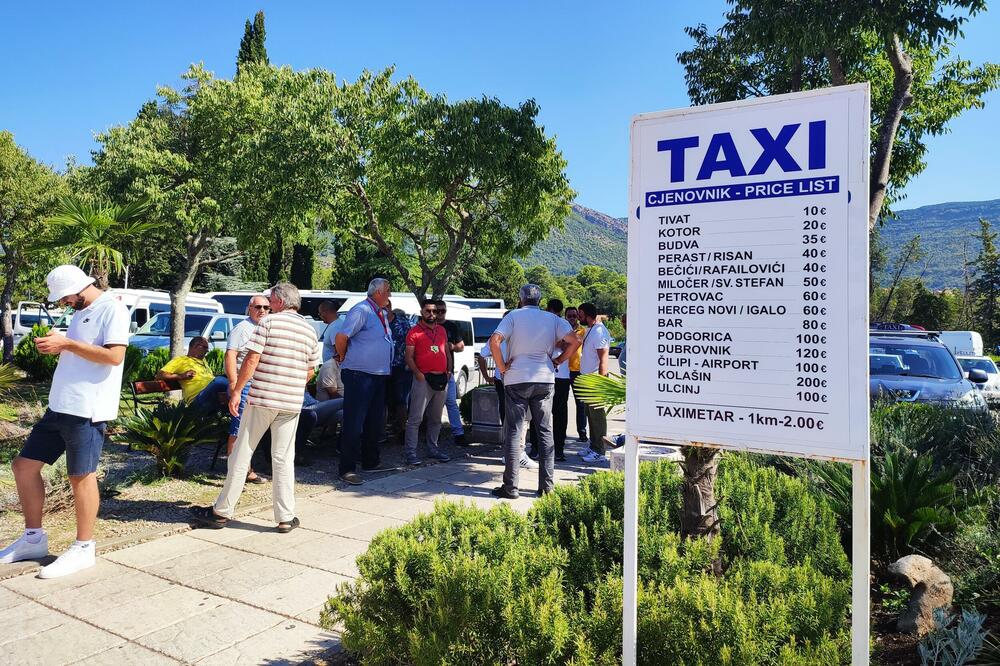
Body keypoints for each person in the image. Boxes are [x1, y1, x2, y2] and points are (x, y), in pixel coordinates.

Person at [1, 265, 129, 577]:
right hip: (60, 406)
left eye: (65, 297)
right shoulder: (80, 311)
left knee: (80, 476)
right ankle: (34, 539)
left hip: (88, 409)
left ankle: (84, 548)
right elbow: (85, 355)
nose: (63, 302)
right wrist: (59, 348)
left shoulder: (112, 309)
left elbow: (114, 356)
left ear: (80, 287)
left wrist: (66, 344)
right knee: (24, 466)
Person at [190, 283, 318, 533]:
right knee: (283, 458)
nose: (268, 305)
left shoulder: (268, 324)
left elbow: (252, 358)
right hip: (291, 403)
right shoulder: (309, 330)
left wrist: (236, 390)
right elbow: (311, 370)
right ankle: (285, 516)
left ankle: (221, 511)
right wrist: (292, 385)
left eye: (270, 301)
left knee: (241, 452)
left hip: (262, 398)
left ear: (280, 302)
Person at [489, 284, 579, 499]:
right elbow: (576, 340)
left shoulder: (513, 317)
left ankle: (511, 487)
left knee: (513, 431)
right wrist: (558, 360)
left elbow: (495, 341)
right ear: (540, 300)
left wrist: (501, 367)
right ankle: (546, 487)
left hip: (516, 379)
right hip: (545, 378)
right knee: (545, 431)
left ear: (520, 299)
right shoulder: (553, 319)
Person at [335, 278, 394, 485]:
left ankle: (371, 461)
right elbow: (342, 337)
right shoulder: (362, 310)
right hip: (359, 375)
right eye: (388, 290)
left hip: (377, 375)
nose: (390, 295)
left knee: (375, 421)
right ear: (377, 292)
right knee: (354, 423)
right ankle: (347, 468)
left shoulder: (379, 313)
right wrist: (342, 358)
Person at [477, 311, 537, 471]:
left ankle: (515, 452)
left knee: (519, 418)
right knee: (514, 418)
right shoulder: (499, 337)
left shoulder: (515, 336)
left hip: (516, 379)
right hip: (507, 381)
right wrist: (490, 374)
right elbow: (482, 356)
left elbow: (482, 356)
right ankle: (514, 453)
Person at [221, 294, 270, 483]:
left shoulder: (265, 327)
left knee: (251, 430)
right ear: (249, 308)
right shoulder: (242, 328)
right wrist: (234, 384)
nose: (262, 311)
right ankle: (234, 475)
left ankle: (246, 470)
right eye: (258, 307)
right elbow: (231, 355)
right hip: (245, 384)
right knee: (238, 429)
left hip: (261, 384)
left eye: (266, 307)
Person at [403, 300, 452, 465]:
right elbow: (408, 356)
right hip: (423, 378)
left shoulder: (442, 330)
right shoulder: (414, 332)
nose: (432, 314)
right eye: (428, 311)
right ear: (422, 311)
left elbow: (446, 351)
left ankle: (433, 449)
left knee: (436, 418)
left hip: (441, 378)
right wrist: (417, 373)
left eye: (435, 311)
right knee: (415, 418)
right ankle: (410, 453)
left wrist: (449, 370)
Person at [577, 303, 611, 464]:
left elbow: (603, 360)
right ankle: (593, 445)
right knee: (590, 414)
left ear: (585, 313)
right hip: (587, 379)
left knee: (597, 416)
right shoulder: (591, 329)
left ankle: (600, 451)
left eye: (580, 314)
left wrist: (600, 383)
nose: (578, 317)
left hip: (595, 380)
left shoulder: (599, 331)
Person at [433, 299, 467, 446]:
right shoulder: (429, 326)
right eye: (437, 311)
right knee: (433, 404)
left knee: (451, 403)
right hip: (431, 371)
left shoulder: (451, 326)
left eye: (443, 311)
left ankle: (458, 433)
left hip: (448, 371)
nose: (440, 314)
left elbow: (461, 346)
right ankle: (434, 432)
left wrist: (451, 346)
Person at [155, 336, 222, 409]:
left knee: (232, 388)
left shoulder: (204, 362)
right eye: (205, 347)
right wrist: (181, 376)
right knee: (220, 381)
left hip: (213, 395)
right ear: (196, 346)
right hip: (198, 398)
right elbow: (159, 375)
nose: (207, 351)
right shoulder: (181, 360)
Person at [546, 299, 572, 462]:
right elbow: (567, 343)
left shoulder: (549, 322)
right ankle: (558, 449)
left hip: (553, 373)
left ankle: (539, 448)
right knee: (558, 413)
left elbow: (570, 343)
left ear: (548, 308)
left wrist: (559, 359)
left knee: (541, 413)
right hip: (559, 374)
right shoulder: (564, 324)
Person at [386, 302, 413, 444]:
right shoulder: (377, 321)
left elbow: (411, 344)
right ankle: (385, 431)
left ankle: (400, 431)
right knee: (384, 400)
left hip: (400, 366)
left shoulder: (403, 322)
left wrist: (410, 362)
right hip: (382, 368)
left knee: (401, 400)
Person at [565, 306, 588, 442]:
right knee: (562, 404)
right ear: (565, 316)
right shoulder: (563, 330)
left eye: (574, 315)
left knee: (581, 404)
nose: (572, 318)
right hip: (563, 371)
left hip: (578, 371)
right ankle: (562, 432)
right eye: (570, 316)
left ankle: (582, 432)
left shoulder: (583, 331)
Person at [316, 300, 343, 401]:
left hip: (334, 371)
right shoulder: (336, 324)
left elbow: (339, 349)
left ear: (325, 312)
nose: (319, 316)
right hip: (333, 370)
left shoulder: (336, 326)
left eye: (319, 313)